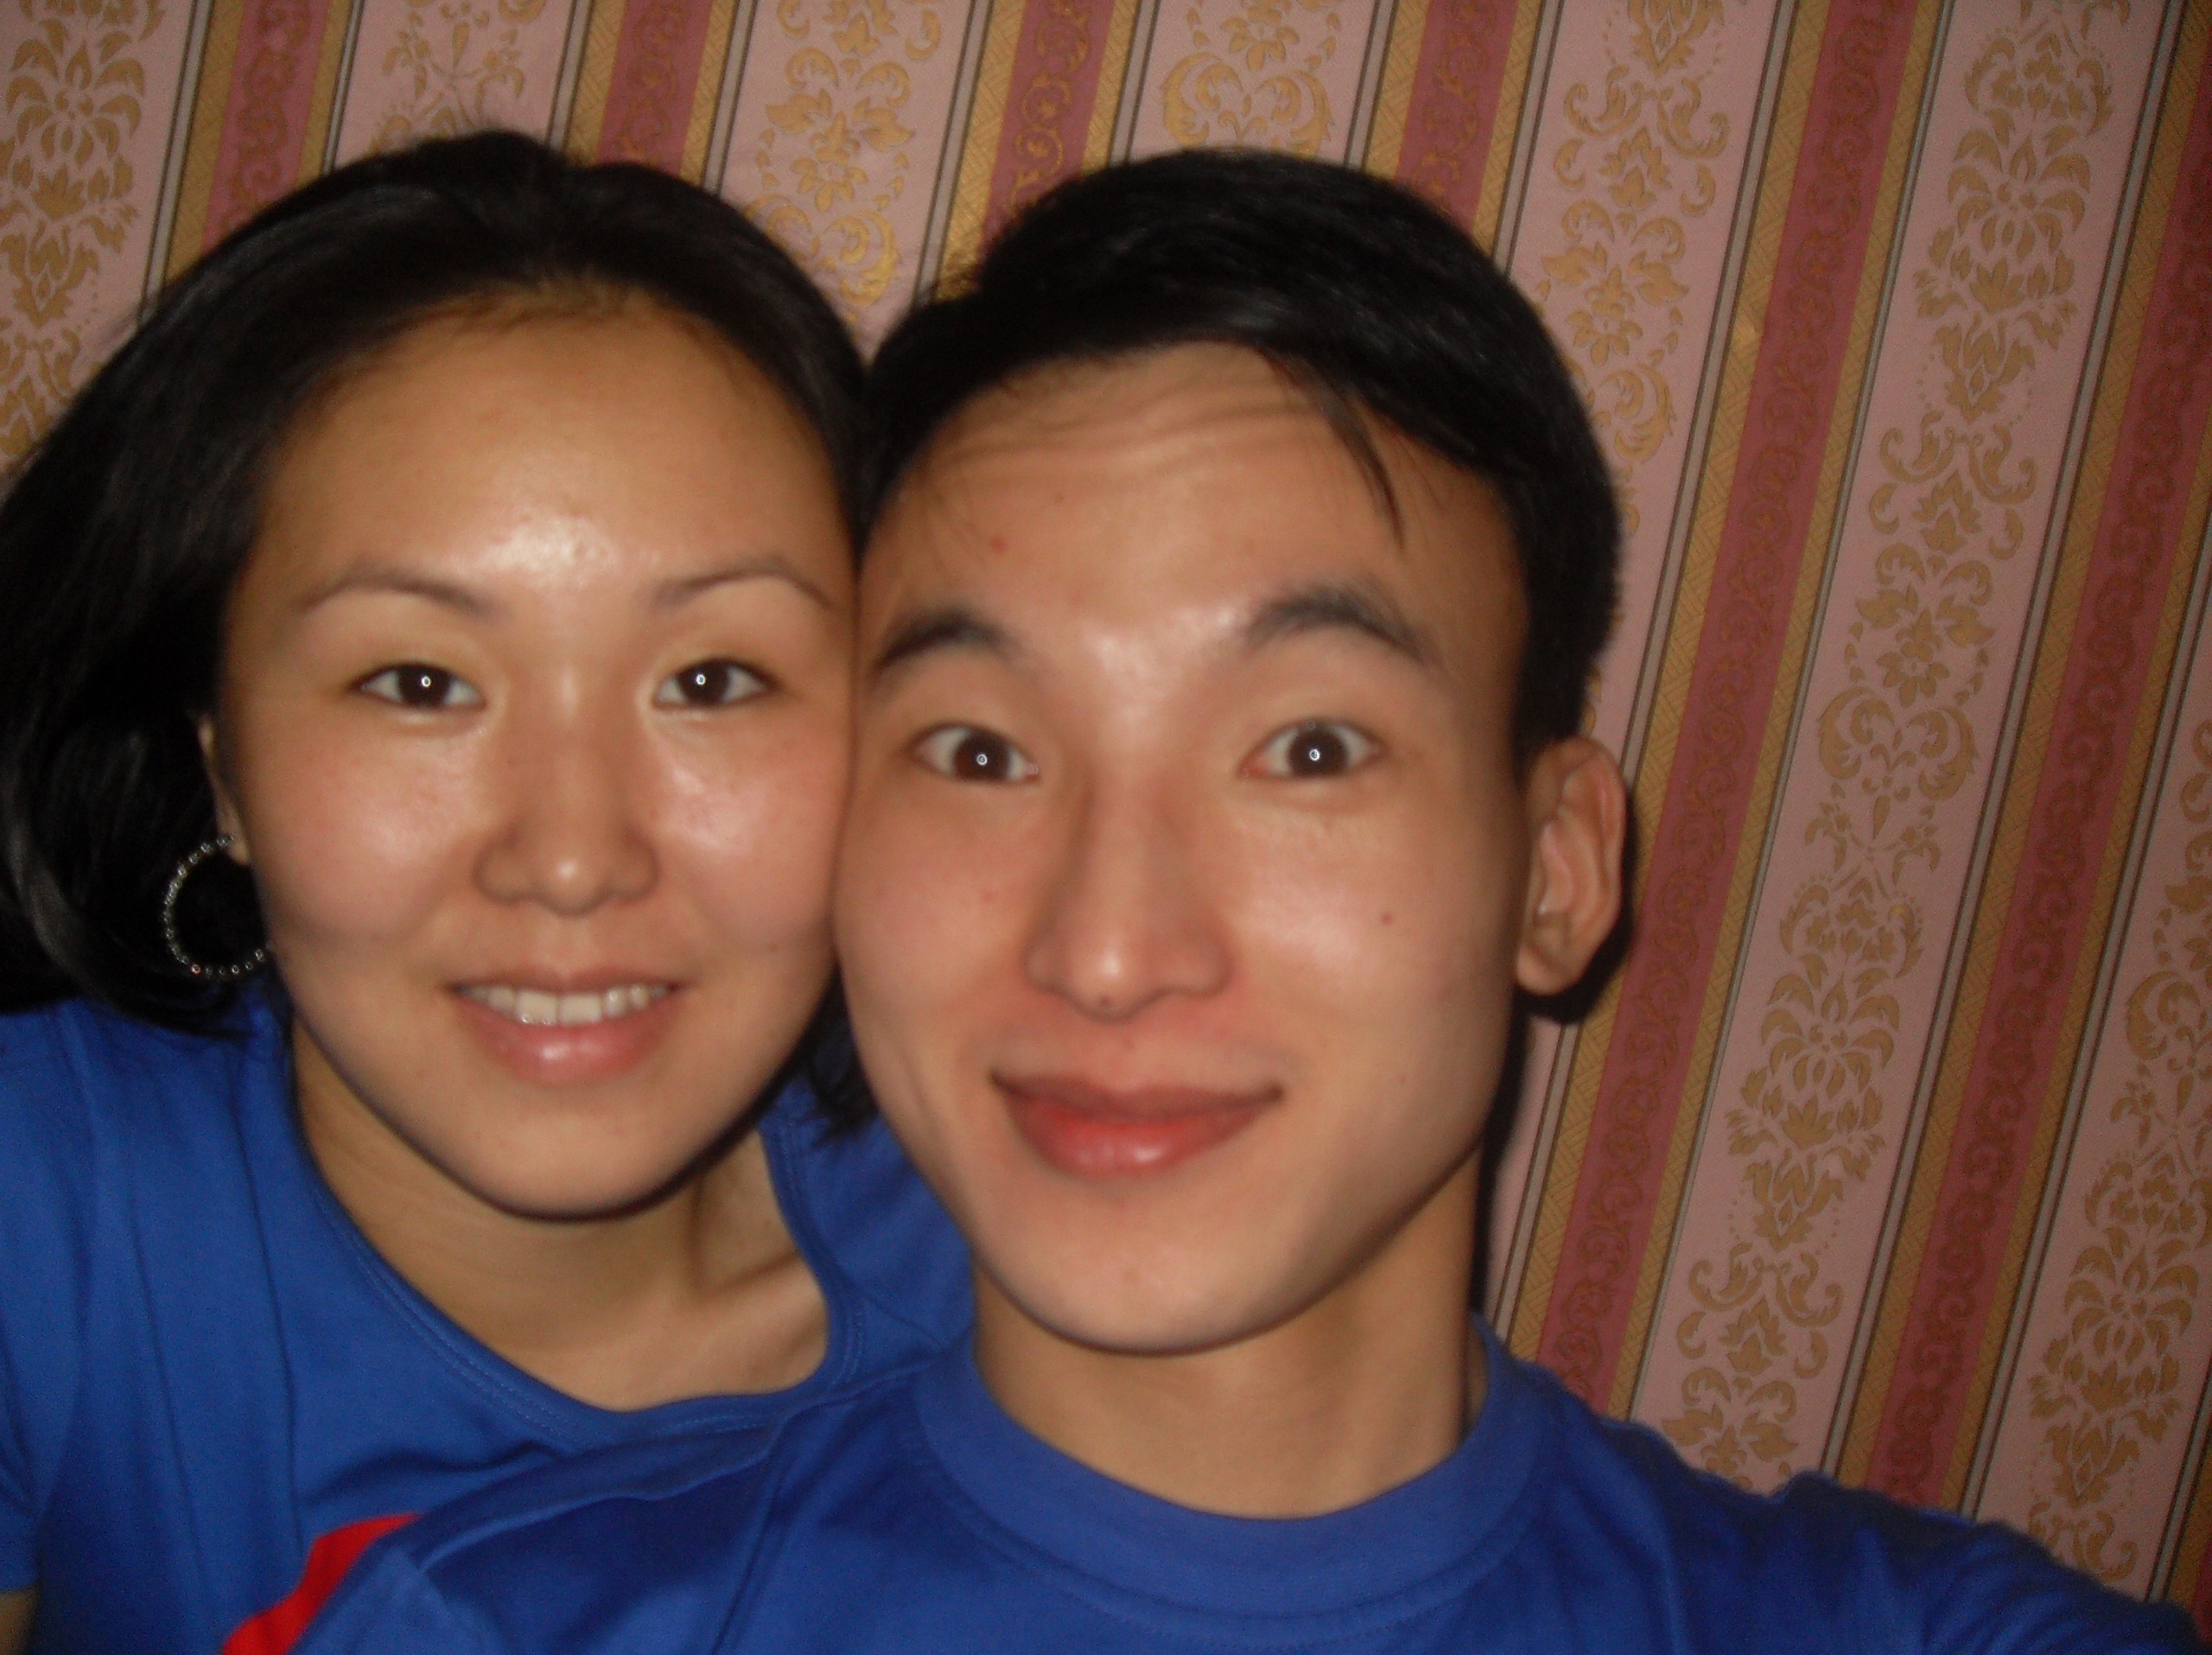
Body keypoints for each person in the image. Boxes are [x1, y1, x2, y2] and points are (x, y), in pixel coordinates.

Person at [295, 150, 2204, 1652]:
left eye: (1305, 748)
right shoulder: (499, 1625)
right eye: (981, 750)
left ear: (1554, 868)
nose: (1108, 951)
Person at [0, 132, 969, 1655]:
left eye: (712, 680)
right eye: (419, 681)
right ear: (220, 762)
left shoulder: (1037, 1249)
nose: (571, 857)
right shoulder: (48, 1208)